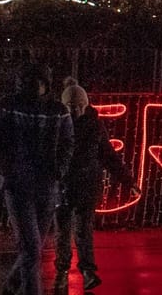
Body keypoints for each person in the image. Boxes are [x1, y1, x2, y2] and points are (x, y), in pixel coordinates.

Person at [0, 64, 74, 295]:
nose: (35, 87)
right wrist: (6, 169)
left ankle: (10, 288)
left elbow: (67, 143)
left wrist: (58, 170)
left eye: (39, 82)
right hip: (19, 187)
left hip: (45, 187)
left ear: (46, 84)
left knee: (33, 248)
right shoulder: (7, 106)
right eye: (30, 82)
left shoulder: (57, 110)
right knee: (31, 247)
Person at [53, 78, 136, 292]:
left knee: (82, 230)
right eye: (73, 107)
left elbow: (108, 155)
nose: (77, 111)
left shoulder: (91, 125)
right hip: (65, 184)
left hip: (84, 185)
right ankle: (64, 272)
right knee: (64, 231)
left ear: (86, 104)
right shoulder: (60, 124)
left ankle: (86, 271)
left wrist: (127, 180)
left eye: (81, 106)